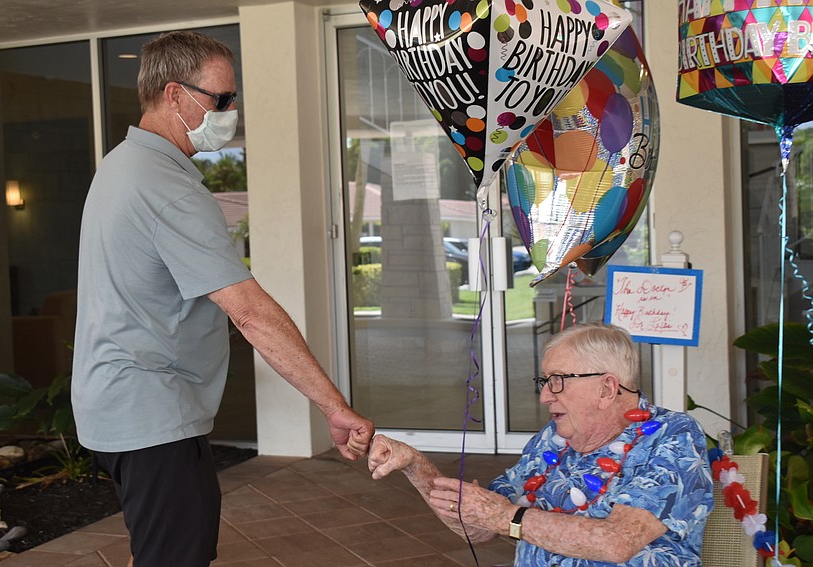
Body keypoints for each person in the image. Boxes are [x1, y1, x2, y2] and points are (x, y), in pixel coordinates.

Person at [71, 30, 374, 567]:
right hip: (149, 409)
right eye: (221, 98)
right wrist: (335, 408)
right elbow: (250, 312)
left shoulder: (122, 165)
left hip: (121, 402)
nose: (231, 110)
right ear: (173, 95)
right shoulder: (165, 186)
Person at [368, 323, 713, 566]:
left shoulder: (672, 437)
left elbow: (617, 541)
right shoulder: (554, 439)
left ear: (607, 389)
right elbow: (477, 527)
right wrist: (414, 464)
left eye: (558, 381)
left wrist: (507, 517)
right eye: (544, 381)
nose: (545, 396)